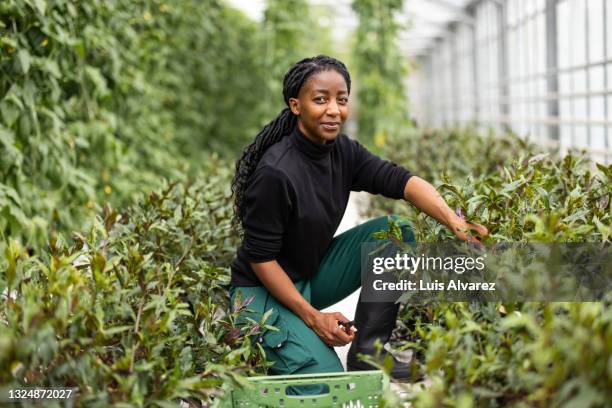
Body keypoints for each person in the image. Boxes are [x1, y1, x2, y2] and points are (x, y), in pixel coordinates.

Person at [229, 55, 487, 392]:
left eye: (341, 99)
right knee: (328, 386)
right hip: (260, 295)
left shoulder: (342, 151)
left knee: (395, 232)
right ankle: (292, 342)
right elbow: (260, 260)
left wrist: (455, 221)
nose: (333, 109)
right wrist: (314, 318)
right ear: (296, 105)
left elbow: (402, 181)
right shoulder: (276, 173)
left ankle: (368, 353)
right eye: (320, 99)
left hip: (306, 276)